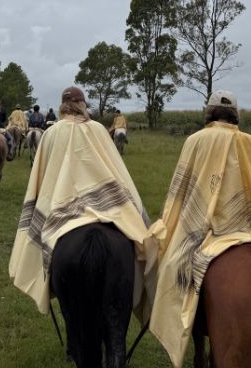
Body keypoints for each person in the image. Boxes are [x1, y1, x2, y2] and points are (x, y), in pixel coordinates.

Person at [147, 92, 251, 367]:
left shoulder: (195, 140)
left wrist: (168, 224)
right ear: (235, 115)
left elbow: (181, 192)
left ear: (209, 113)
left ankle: (180, 326)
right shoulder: (250, 142)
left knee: (172, 269)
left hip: (207, 228)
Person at [9, 87, 157, 330]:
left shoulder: (52, 132)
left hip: (60, 203)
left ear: (63, 106)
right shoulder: (98, 129)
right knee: (140, 235)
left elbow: (42, 174)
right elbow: (115, 167)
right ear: (82, 105)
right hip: (107, 205)